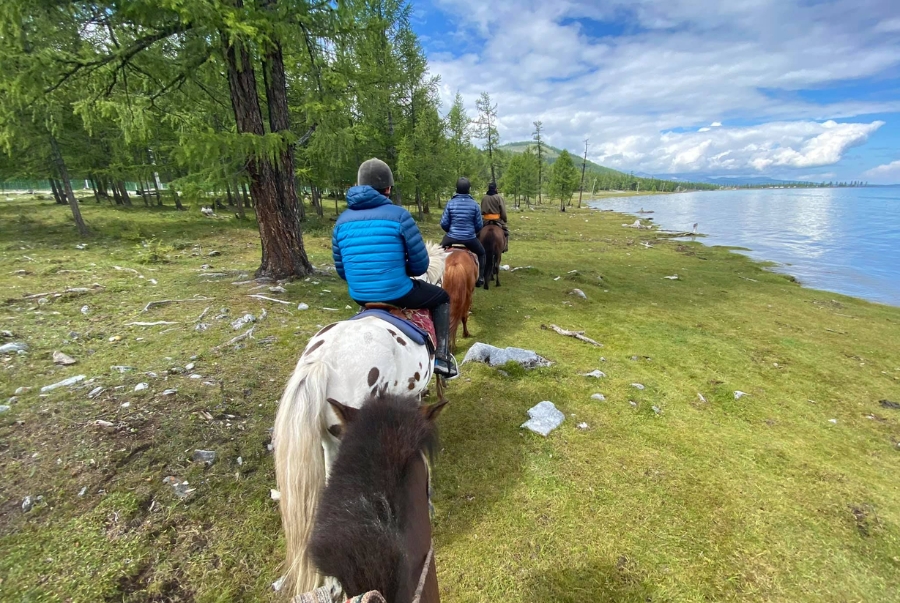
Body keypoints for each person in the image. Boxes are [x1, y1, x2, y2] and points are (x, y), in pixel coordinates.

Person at [332, 158, 457, 378]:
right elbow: (421, 265)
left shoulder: (341, 221)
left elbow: (343, 271)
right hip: (398, 292)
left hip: (360, 296)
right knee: (442, 297)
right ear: (388, 188)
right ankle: (442, 358)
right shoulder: (399, 216)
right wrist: (399, 269)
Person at [440, 177, 486, 288]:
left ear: (456, 189)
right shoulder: (475, 204)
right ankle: (480, 278)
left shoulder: (450, 203)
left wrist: (450, 231)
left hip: (451, 237)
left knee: (436, 252)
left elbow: (444, 223)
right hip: (470, 238)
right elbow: (479, 225)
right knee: (482, 253)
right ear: (469, 189)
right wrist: (472, 232)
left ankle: (434, 277)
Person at [480, 182, 509, 252]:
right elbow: (503, 211)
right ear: (496, 189)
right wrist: (504, 219)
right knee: (506, 232)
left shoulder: (484, 198)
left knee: (477, 232)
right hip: (497, 219)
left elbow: (482, 211)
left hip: (485, 220)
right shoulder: (499, 198)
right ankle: (505, 247)